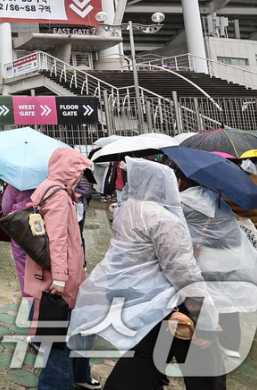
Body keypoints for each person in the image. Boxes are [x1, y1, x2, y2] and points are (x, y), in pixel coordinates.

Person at [69, 158, 224, 390]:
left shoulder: (128, 209)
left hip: (137, 296)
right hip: (168, 301)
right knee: (201, 363)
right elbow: (181, 270)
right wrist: (204, 311)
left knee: (145, 357)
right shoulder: (163, 219)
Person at [176, 169, 257, 356]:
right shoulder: (218, 200)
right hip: (229, 257)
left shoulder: (181, 203)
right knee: (228, 299)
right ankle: (231, 345)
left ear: (181, 181)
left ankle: (201, 343)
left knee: (202, 299)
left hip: (204, 261)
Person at [23, 147, 95, 390]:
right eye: (78, 171)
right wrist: (62, 278)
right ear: (69, 169)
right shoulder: (58, 195)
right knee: (59, 339)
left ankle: (79, 376)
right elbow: (58, 238)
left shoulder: (48, 187)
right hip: (60, 277)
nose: (80, 177)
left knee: (62, 332)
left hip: (48, 271)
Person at [1, 183, 35, 297]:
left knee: (21, 261)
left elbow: (5, 207)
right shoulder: (45, 183)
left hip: (18, 224)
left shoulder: (15, 184)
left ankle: (28, 295)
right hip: (39, 223)